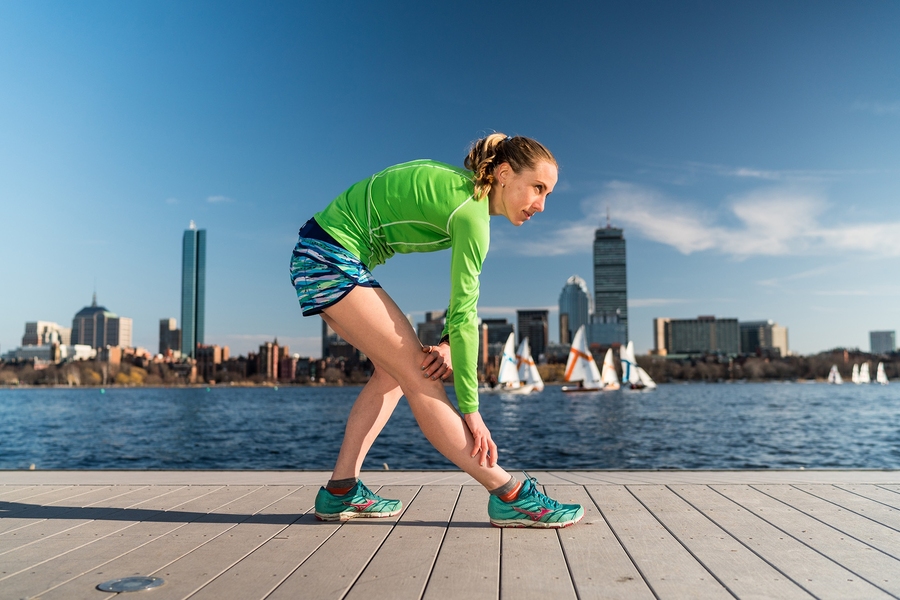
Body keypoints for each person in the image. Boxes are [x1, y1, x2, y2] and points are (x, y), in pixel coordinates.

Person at [290, 132, 584, 528]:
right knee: (419, 373)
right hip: (330, 256)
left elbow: (460, 314)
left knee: (393, 373)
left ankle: (341, 491)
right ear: (503, 173)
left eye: (547, 193)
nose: (542, 204)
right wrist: (471, 411)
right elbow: (465, 314)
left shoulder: (464, 194)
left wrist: (446, 345)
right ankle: (510, 495)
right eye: (537, 188)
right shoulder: (471, 213)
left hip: (322, 251)